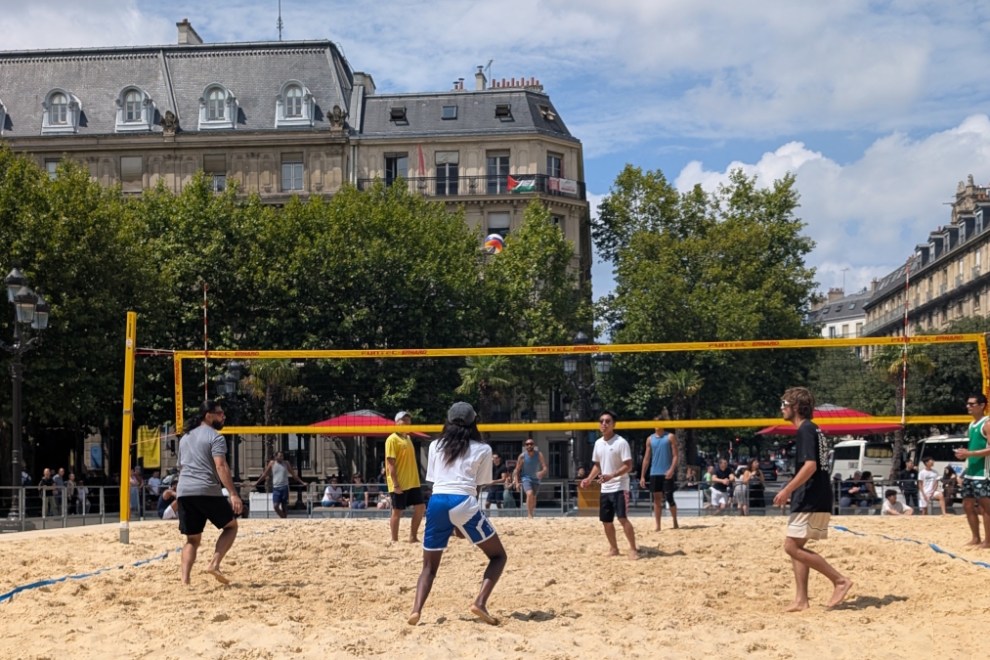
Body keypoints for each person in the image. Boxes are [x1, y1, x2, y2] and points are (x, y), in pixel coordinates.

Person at [408, 401, 506, 626]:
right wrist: (462, 522)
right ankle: (480, 603)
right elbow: (479, 486)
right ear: (474, 422)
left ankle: (416, 610)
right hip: (463, 502)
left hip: (437, 502)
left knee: (428, 568)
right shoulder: (483, 449)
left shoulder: (435, 446)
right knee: (499, 556)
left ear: (448, 421)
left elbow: (435, 481)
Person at [773, 387, 853, 611]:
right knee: (797, 544)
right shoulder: (813, 429)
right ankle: (801, 600)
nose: (782, 408)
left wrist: (787, 489)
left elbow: (810, 466)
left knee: (790, 546)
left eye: (784, 404)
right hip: (814, 495)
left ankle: (839, 580)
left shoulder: (806, 430)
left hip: (812, 495)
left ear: (796, 407)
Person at [176, 400, 243, 585]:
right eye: (220, 413)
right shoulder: (215, 437)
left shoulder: (185, 437)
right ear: (208, 415)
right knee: (231, 526)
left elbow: (181, 468)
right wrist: (233, 493)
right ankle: (214, 564)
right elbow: (220, 465)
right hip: (206, 489)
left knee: (192, 540)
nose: (224, 416)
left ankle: (185, 581)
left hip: (184, 491)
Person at [580, 410, 639, 560]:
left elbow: (629, 466)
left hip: (620, 486)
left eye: (607, 421)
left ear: (613, 424)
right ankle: (614, 548)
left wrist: (611, 475)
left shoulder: (621, 442)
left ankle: (633, 549)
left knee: (622, 518)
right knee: (606, 521)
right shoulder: (598, 443)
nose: (604, 424)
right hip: (605, 488)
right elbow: (598, 465)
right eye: (601, 421)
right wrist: (588, 479)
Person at [954, 393, 990, 547]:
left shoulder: (987, 424)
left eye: (971, 404)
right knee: (967, 505)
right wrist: (965, 456)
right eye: (967, 403)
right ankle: (976, 537)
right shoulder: (971, 424)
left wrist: (969, 453)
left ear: (982, 406)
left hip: (983, 473)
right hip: (971, 471)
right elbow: (974, 447)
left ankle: (988, 541)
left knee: (985, 507)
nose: (968, 406)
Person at [386, 411, 425, 543]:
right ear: (396, 423)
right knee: (397, 511)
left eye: (409, 420)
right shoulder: (392, 439)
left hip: (413, 482)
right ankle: (394, 540)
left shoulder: (408, 438)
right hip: (399, 483)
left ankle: (413, 537)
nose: (407, 422)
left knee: (420, 508)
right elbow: (390, 465)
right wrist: (395, 484)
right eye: (404, 420)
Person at [639, 418, 679, 531]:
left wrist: (671, 469)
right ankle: (658, 525)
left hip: (667, 472)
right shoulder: (650, 439)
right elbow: (646, 458)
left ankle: (675, 521)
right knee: (656, 500)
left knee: (669, 498)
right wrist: (642, 476)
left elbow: (676, 455)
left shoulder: (670, 437)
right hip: (654, 472)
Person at [255, 451, 306, 519]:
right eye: (280, 456)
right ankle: (283, 517)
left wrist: (302, 482)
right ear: (276, 457)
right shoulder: (272, 463)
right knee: (276, 506)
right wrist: (257, 482)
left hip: (284, 487)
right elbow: (265, 474)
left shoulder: (286, 463)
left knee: (284, 505)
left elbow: (293, 474)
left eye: (282, 456)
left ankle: (284, 519)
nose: (281, 457)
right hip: (276, 488)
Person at [513, 437, 548, 519]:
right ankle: (529, 514)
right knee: (529, 494)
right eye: (527, 444)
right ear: (525, 446)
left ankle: (532, 512)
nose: (529, 445)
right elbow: (517, 470)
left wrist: (542, 472)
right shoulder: (522, 456)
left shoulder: (539, 454)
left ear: (534, 445)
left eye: (531, 444)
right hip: (526, 478)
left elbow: (545, 467)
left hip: (536, 479)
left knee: (534, 497)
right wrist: (517, 482)